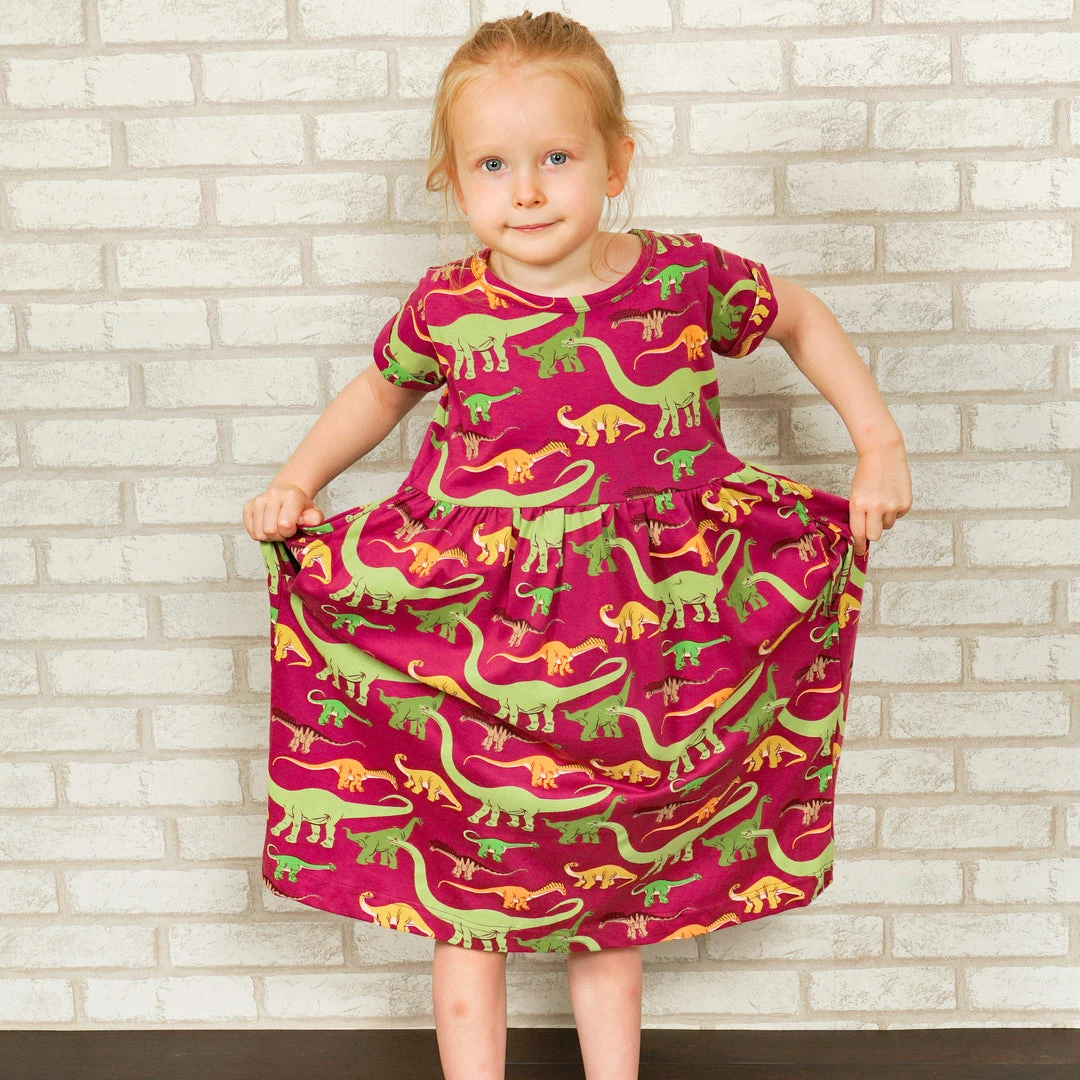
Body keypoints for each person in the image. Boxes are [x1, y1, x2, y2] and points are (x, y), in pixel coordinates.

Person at [243, 11, 911, 1080]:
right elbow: (380, 390)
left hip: (642, 654)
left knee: (615, 902)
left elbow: (799, 316)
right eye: (492, 166)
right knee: (467, 901)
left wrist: (877, 443)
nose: (527, 191)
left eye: (556, 157)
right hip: (473, 645)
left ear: (616, 162)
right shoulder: (450, 304)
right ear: (454, 181)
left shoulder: (683, 282)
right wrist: (298, 480)